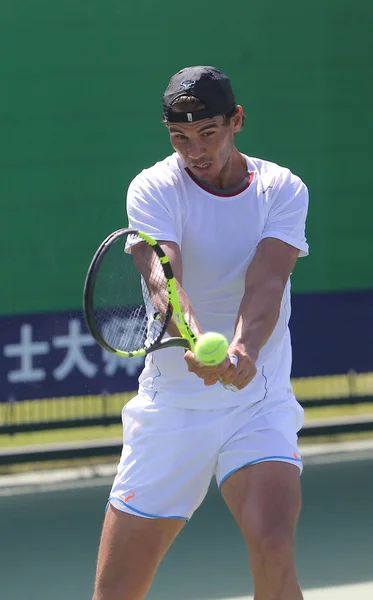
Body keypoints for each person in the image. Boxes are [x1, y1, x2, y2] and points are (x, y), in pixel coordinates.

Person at [92, 65, 309, 600]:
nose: (195, 149)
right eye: (180, 137)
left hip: (257, 402)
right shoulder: (152, 187)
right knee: (117, 593)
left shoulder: (282, 189)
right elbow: (165, 279)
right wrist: (196, 342)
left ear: (236, 121)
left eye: (208, 132)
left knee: (275, 548)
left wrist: (243, 351)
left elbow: (268, 282)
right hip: (173, 411)